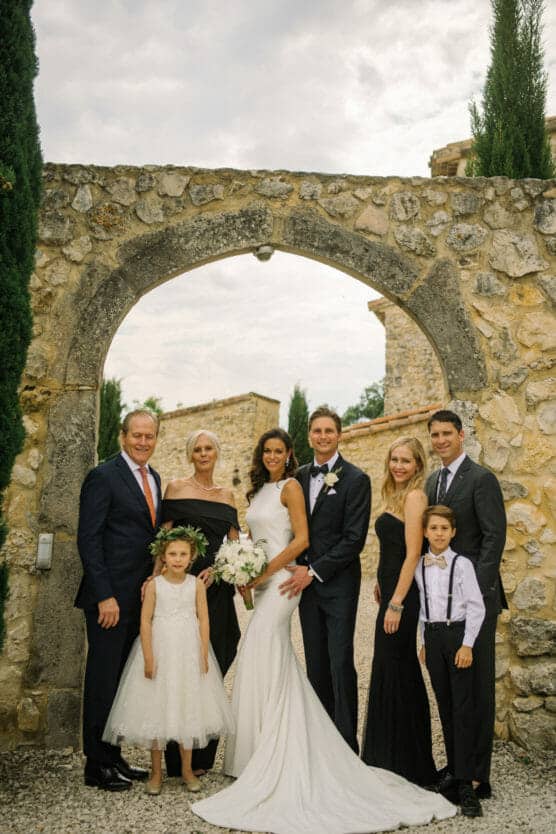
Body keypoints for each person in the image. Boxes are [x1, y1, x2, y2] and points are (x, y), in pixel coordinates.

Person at [191, 428, 455, 834]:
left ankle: (332, 747)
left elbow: (328, 539)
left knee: (327, 661)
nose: (273, 456)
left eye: (280, 450)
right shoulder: (267, 489)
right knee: (279, 657)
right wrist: (238, 564)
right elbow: (253, 537)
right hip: (273, 584)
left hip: (304, 581)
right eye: (268, 450)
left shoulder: (347, 481)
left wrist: (276, 571)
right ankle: (256, 750)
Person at [103, 527, 234, 796]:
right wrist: (149, 656)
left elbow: (204, 618)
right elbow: (145, 621)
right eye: (172, 554)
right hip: (161, 652)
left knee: (188, 707)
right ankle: (155, 771)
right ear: (163, 556)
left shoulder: (196, 584)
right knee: (156, 708)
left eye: (183, 554)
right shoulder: (154, 586)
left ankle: (186, 769)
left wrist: (203, 651)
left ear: (192, 556)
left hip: (188, 652)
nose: (177, 559)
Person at [76, 409, 162, 791]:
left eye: (150, 436)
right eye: (137, 435)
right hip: (109, 600)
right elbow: (89, 540)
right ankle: (95, 765)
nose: (143, 442)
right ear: (123, 436)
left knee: (122, 684)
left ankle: (114, 756)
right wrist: (104, 596)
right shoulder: (103, 476)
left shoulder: (155, 478)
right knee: (102, 680)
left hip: (138, 600)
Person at [279, 406, 371, 752]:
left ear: (339, 434)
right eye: (316, 431)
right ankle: (320, 740)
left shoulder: (357, 479)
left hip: (338, 586)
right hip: (305, 588)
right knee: (315, 661)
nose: (322, 436)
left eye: (329, 431)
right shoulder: (299, 477)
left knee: (340, 661)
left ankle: (347, 744)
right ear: (308, 436)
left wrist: (313, 570)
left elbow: (353, 539)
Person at [426, 409, 506, 800]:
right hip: (441, 605)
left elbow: (494, 538)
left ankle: (477, 777)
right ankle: (457, 767)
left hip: (477, 600)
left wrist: (478, 590)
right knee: (450, 688)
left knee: (475, 687)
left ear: (461, 435)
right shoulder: (432, 482)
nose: (440, 440)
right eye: (435, 435)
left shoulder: (481, 479)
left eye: (446, 434)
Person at [157, 428, 240, 777]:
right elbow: (162, 540)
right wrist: (155, 578)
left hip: (216, 591)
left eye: (209, 448)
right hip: (182, 588)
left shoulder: (228, 496)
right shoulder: (176, 489)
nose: (204, 454)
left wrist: (220, 572)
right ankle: (176, 759)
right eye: (198, 449)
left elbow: (236, 547)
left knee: (218, 658)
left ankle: (204, 757)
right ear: (190, 455)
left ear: (216, 453)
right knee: (180, 665)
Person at [361, 437, 437, 786]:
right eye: (394, 459)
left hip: (403, 597)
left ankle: (407, 762)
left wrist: (397, 602)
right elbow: (390, 550)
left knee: (398, 666)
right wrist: (381, 582)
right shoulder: (394, 494)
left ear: (418, 465)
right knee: (390, 666)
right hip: (391, 588)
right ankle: (387, 757)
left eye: (406, 460)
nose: (399, 466)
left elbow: (413, 554)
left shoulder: (415, 497)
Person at [416, 506, 486, 817]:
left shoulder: (462, 565)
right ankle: (455, 773)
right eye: (434, 528)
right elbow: (420, 606)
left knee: (462, 709)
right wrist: (422, 641)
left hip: (457, 637)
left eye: (445, 528)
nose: (439, 533)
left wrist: (468, 644)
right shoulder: (419, 565)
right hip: (432, 638)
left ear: (453, 532)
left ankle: (467, 785)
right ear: (425, 532)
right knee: (445, 706)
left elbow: (476, 607)